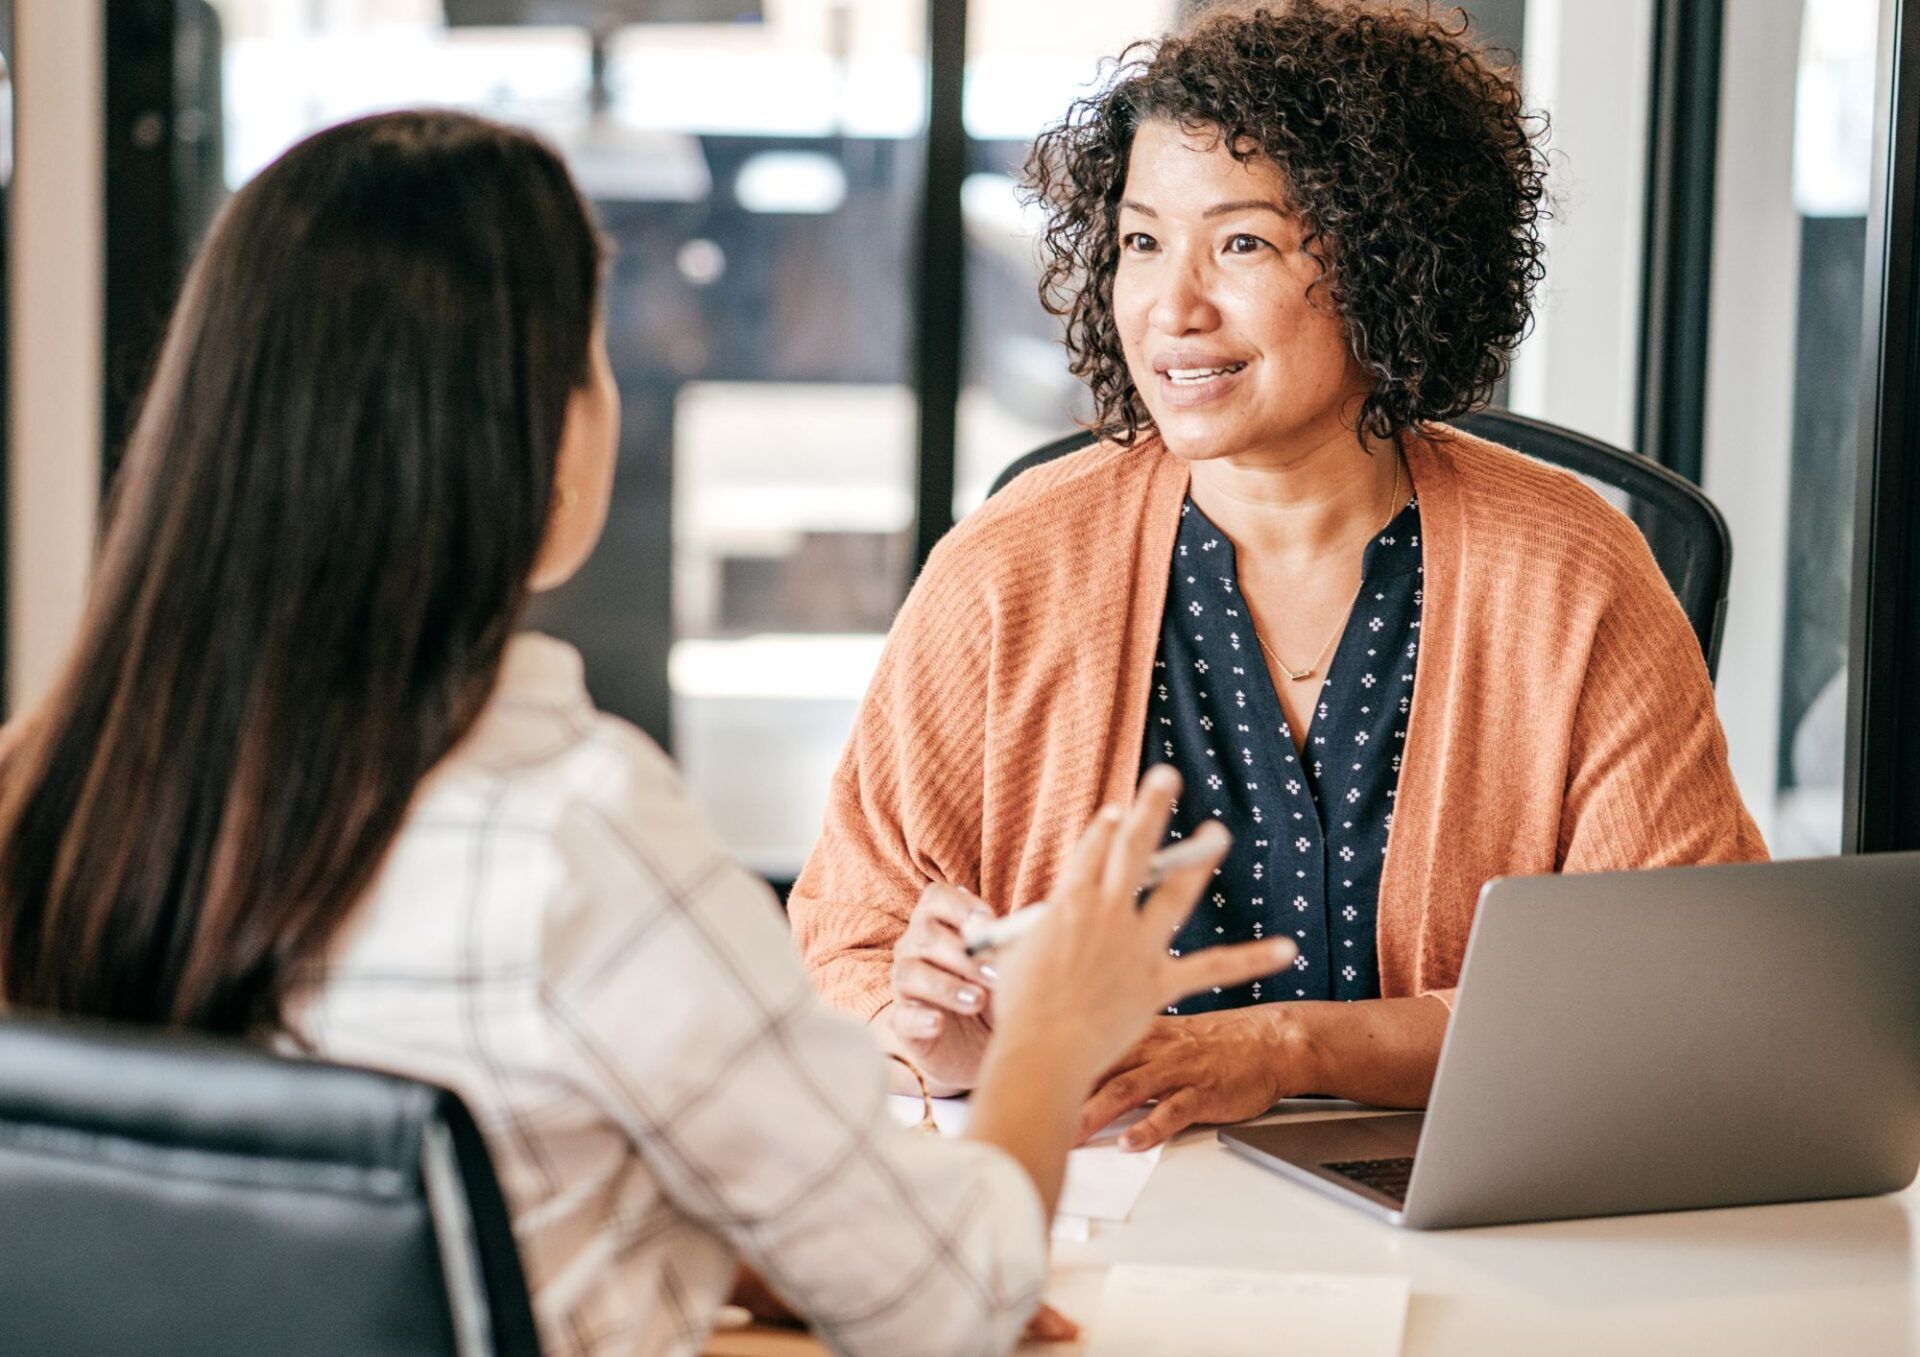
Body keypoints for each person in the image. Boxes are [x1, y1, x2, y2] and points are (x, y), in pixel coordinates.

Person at [0, 110, 1291, 1357]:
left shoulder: (50, 781)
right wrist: (1053, 1036)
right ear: (539, 433)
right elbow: (948, 1305)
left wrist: (720, 1250)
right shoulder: (574, 833)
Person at [789, 0, 1767, 1152]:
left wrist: (1291, 1047)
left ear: (1388, 257)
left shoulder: (1569, 571)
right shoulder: (1009, 567)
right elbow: (849, 948)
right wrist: (938, 1037)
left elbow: (1670, 989)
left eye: (1241, 243)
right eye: (1144, 242)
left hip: (1458, 1207)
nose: (1172, 308)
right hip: (1093, 1194)